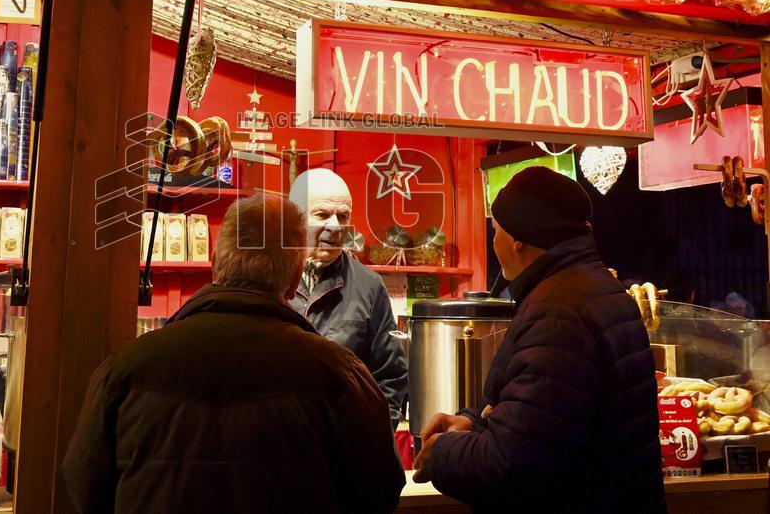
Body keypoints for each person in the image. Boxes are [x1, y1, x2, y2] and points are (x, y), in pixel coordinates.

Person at [63, 194, 405, 514]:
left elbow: (84, 486)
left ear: (215, 263)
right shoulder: (340, 376)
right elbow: (378, 492)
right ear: (295, 277)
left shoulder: (124, 371)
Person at [412, 166, 665, 513]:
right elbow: (550, 421)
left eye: (495, 230)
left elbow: (513, 464)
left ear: (518, 239)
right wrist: (474, 423)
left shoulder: (558, 314)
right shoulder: (595, 287)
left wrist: (441, 452)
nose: (493, 240)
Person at [287, 168, 409, 426]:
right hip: (281, 448)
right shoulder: (268, 279)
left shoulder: (369, 286)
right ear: (294, 217)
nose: (334, 226)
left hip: (345, 451)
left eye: (342, 217)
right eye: (322, 214)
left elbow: (391, 377)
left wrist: (371, 440)